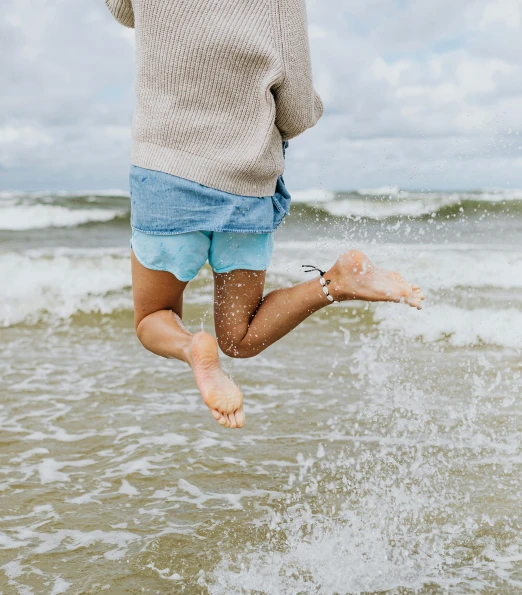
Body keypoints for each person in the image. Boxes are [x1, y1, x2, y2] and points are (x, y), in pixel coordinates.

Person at [105, 0, 424, 429]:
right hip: (245, 181)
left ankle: (191, 347)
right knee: (239, 336)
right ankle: (338, 280)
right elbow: (295, 109)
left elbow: (124, 11)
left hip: (165, 172)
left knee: (153, 318)